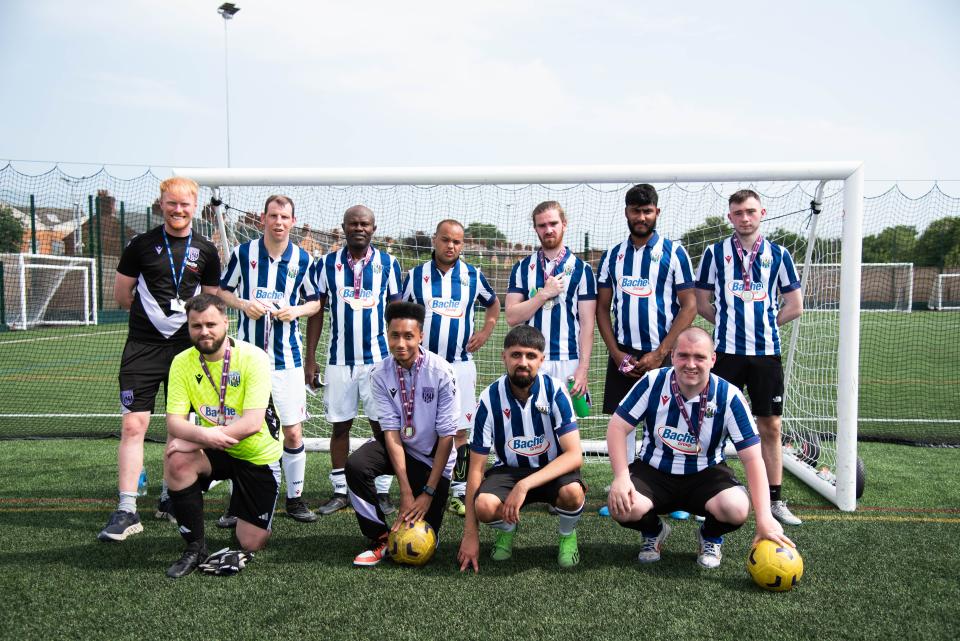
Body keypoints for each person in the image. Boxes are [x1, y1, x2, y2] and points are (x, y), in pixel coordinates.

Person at [605, 327, 794, 568]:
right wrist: (621, 477)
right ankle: (654, 531)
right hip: (654, 470)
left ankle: (710, 536)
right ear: (672, 356)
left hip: (706, 473)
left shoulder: (729, 395)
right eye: (683, 355)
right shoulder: (653, 382)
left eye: (700, 357)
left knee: (736, 508)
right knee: (621, 504)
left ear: (713, 359)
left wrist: (765, 517)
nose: (690, 364)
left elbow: (753, 458)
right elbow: (617, 427)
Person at [98, 176, 221, 543]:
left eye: (185, 204)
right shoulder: (141, 245)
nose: (178, 210)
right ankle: (126, 508)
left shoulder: (207, 249)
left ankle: (170, 497)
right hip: (143, 348)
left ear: (194, 207)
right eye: (172, 203)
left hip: (186, 351)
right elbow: (122, 294)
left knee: (177, 425)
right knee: (134, 426)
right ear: (161, 204)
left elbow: (209, 303)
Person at [695, 189, 805, 526]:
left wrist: (766, 324)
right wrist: (730, 323)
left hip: (765, 354)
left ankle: (774, 500)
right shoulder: (714, 253)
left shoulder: (779, 254)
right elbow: (701, 302)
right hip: (725, 353)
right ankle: (707, 494)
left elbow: (795, 304)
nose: (745, 218)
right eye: (739, 212)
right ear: (730, 217)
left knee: (770, 425)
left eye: (751, 212)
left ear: (762, 213)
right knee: (711, 422)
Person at [218, 194, 322, 524]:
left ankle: (295, 499)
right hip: (246, 362)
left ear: (292, 222)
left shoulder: (304, 260)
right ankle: (239, 504)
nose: (278, 222)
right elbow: (221, 291)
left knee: (292, 432)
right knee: (241, 432)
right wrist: (242, 304)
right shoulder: (242, 253)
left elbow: (316, 302)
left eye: (285, 217)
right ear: (263, 218)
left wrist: (297, 310)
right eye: (273, 215)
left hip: (286, 361)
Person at [596, 183, 697, 520]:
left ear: (657, 212)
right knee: (621, 423)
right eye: (635, 211)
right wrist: (614, 353)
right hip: (624, 355)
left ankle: (676, 495)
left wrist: (661, 353)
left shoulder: (674, 253)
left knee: (665, 423)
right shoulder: (613, 255)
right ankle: (621, 491)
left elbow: (689, 306)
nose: (641, 217)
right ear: (626, 212)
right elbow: (602, 308)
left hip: (663, 354)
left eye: (647, 211)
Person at [162, 294, 282, 578]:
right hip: (217, 450)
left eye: (211, 324)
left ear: (226, 323)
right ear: (188, 328)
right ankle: (195, 547)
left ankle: (246, 505)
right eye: (196, 326)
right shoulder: (181, 362)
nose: (204, 331)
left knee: (251, 543)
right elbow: (174, 423)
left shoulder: (254, 358)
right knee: (177, 459)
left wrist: (199, 439)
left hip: (257, 454)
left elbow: (252, 423)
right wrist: (204, 438)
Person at [457, 325, 585, 572]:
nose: (523, 362)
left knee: (572, 493)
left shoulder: (556, 391)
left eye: (530, 356)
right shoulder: (488, 399)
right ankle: (507, 529)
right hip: (509, 470)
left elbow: (574, 455)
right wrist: (470, 534)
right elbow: (475, 470)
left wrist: (524, 485)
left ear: (541, 360)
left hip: (551, 469)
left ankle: (567, 535)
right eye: (516, 355)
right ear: (504, 356)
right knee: (483, 505)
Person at [306, 205, 403, 515]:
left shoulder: (389, 264)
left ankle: (382, 489)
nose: (359, 228)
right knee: (339, 426)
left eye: (365, 224)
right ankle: (339, 490)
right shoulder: (326, 264)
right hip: (338, 361)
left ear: (373, 228)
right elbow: (316, 312)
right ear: (343, 227)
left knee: (383, 428)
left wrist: (399, 358)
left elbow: (397, 314)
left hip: (378, 363)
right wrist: (311, 358)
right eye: (353, 224)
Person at [346, 302, 458, 566]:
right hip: (400, 446)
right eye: (395, 335)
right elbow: (391, 433)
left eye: (408, 336)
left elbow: (447, 438)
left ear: (420, 336)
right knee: (356, 465)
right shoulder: (379, 374)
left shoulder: (442, 372)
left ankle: (427, 512)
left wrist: (428, 492)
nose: (401, 343)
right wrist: (406, 491)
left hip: (433, 460)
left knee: (426, 536)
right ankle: (381, 537)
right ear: (387, 335)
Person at [401, 219, 500, 517]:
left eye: (457, 242)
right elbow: (397, 310)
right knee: (423, 430)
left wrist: (485, 331)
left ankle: (457, 491)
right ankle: (424, 484)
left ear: (463, 244)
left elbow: (493, 304)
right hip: (423, 368)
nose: (451, 246)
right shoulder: (416, 276)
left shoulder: (473, 275)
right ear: (434, 240)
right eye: (445, 240)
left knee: (459, 431)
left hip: (460, 366)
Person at [504, 201, 596, 399]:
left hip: (569, 360)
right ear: (535, 228)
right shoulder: (521, 268)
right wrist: (543, 294)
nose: (548, 230)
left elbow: (587, 325)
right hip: (530, 360)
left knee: (567, 427)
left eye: (553, 223)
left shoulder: (583, 270)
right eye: (542, 225)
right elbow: (511, 316)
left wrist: (583, 368)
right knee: (530, 424)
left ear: (564, 223)